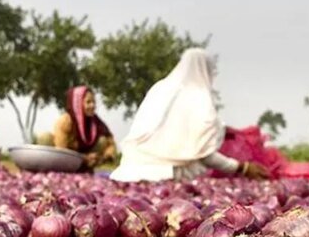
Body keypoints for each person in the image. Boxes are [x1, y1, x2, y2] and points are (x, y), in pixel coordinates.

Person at [111, 49, 269, 182]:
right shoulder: (200, 97)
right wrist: (242, 167)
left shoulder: (159, 88)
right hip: (168, 175)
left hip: (127, 171)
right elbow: (204, 155)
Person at [52, 86, 118, 170]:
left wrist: (104, 157)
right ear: (78, 103)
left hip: (87, 160)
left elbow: (111, 142)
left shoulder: (96, 122)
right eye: (88, 102)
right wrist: (84, 157)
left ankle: (86, 169)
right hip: (65, 159)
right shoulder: (65, 121)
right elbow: (62, 151)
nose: (93, 105)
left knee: (103, 140)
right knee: (45, 138)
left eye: (94, 102)